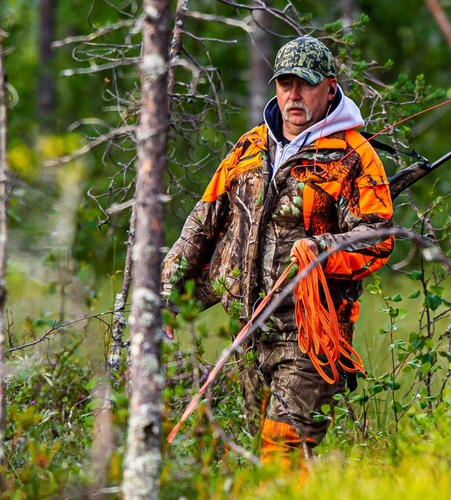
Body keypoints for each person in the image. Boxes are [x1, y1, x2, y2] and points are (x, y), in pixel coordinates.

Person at [161, 36, 394, 471]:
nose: (294, 95)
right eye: (285, 84)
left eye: (304, 85)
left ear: (329, 87)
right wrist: (166, 295)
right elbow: (202, 224)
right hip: (247, 330)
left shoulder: (354, 156)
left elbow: (378, 238)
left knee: (282, 449)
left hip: (310, 334)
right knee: (245, 455)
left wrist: (322, 249)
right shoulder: (249, 147)